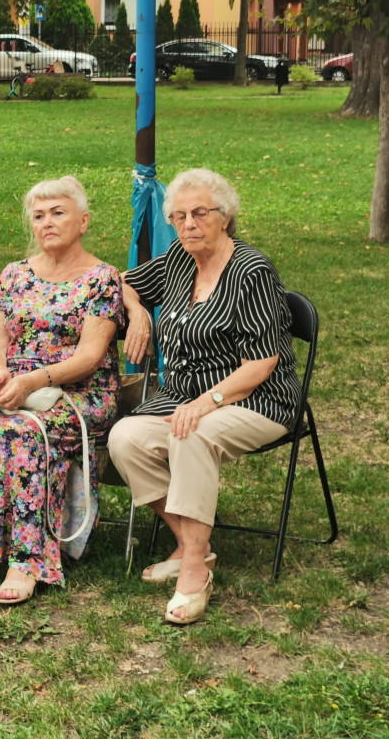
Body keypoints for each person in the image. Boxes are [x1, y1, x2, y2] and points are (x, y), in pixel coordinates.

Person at [107, 168, 301, 625]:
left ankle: (193, 570)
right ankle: (193, 543)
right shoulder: (178, 258)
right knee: (124, 438)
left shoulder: (251, 271)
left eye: (199, 213)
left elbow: (261, 363)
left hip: (257, 398)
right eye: (178, 216)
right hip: (182, 394)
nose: (188, 224)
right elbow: (120, 283)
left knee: (191, 435)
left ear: (225, 215)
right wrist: (138, 315)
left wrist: (206, 402)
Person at [0, 176, 124, 606]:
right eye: (39, 216)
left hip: (78, 393)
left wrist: (31, 382)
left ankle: (27, 559)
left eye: (58, 213)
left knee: (22, 432)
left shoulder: (101, 279)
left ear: (83, 221)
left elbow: (90, 356)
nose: (47, 222)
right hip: (17, 386)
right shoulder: (16, 274)